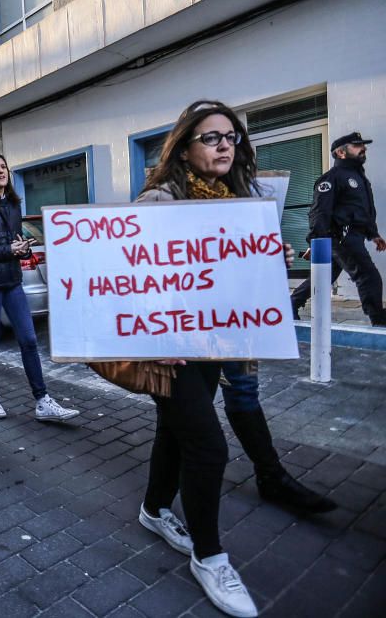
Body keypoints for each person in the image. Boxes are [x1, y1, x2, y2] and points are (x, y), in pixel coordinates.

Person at [135, 100, 266, 618]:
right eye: (211, 137)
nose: (225, 145)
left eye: (231, 136)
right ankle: (210, 558)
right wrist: (155, 337)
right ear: (185, 148)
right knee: (208, 448)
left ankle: (152, 510)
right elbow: (135, 281)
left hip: (215, 344)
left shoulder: (243, 198)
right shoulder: (158, 201)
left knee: (175, 431)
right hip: (173, 351)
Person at [0, 154, 79, 422]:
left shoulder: (14, 204)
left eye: (3, 167)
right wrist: (8, 249)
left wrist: (23, 250)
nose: (1, 172)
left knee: (28, 339)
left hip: (13, 282)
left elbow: (14, 244)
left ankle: (42, 400)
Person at [290, 132, 385, 325]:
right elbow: (319, 212)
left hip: (353, 236)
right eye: (357, 146)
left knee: (323, 277)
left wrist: (373, 234)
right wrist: (316, 241)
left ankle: (292, 303)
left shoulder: (359, 177)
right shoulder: (332, 178)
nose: (363, 149)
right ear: (341, 152)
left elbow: (363, 209)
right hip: (341, 237)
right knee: (368, 276)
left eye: (363, 146)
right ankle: (379, 321)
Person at [219, 361, 336, 512]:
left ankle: (270, 475)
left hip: (241, 341)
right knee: (204, 387)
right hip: (197, 341)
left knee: (245, 385)